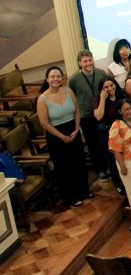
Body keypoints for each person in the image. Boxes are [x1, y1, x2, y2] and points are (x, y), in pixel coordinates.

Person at [37, 66, 89, 206]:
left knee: (78, 162)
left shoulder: (69, 91)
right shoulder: (42, 99)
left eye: (58, 76)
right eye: (52, 76)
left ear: (62, 78)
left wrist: (77, 128)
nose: (56, 79)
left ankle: (84, 191)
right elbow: (44, 124)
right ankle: (71, 197)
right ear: (47, 79)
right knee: (64, 167)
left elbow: (77, 111)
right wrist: (62, 136)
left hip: (73, 130)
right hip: (56, 136)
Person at [68, 49, 111, 181]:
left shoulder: (101, 73)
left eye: (90, 60)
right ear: (80, 63)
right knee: (93, 144)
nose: (88, 63)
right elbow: (73, 97)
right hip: (86, 116)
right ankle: (100, 170)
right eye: (85, 61)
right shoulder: (74, 79)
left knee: (105, 141)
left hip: (101, 112)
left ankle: (109, 166)